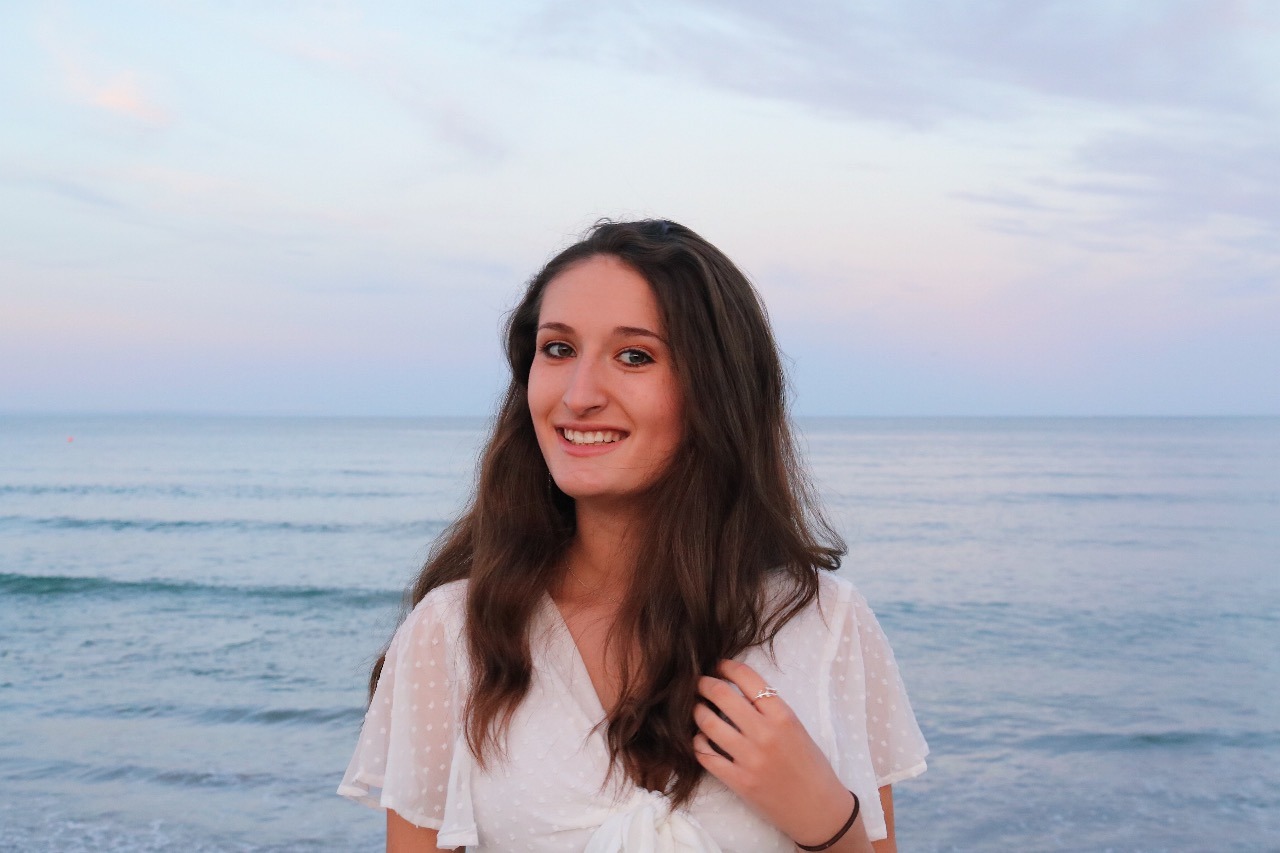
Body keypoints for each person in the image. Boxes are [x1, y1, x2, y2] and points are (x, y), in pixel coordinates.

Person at [338, 220, 928, 852]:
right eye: (557, 349)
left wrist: (826, 818)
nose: (579, 395)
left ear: (716, 389)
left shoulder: (827, 626)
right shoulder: (455, 634)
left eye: (634, 356)